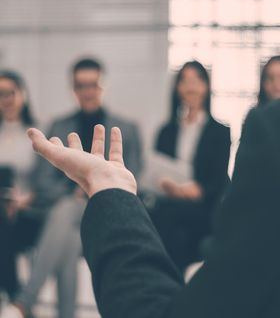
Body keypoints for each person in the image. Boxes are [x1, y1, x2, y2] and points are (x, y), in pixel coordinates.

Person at [17, 98, 280, 318]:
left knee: (68, 223)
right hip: (70, 205)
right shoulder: (62, 123)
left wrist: (109, 188)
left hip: (181, 206)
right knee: (67, 223)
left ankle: (24, 301)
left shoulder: (269, 130)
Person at [3, 58, 143, 318]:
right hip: (67, 212)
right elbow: (42, 181)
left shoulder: (128, 129)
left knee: (66, 213)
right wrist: (73, 191)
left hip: (106, 209)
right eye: (81, 85)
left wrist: (95, 190)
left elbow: (135, 179)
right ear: (73, 88)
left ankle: (24, 302)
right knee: (67, 232)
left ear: (103, 85)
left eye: (93, 84)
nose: (87, 91)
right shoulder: (58, 126)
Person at [151, 61, 231, 271]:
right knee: (169, 225)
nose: (190, 87)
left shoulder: (219, 132)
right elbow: (156, 169)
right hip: (169, 200)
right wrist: (168, 186)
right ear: (177, 88)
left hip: (203, 207)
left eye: (197, 80)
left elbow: (217, 182)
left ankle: (167, 283)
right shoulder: (166, 131)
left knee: (167, 220)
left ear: (206, 87)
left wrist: (194, 191)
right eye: (184, 81)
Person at [0, 71, 42, 301]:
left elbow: (47, 180)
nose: (5, 99)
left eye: (10, 92)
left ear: (22, 94)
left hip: (28, 211)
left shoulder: (38, 132)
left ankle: (14, 294)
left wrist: (27, 199)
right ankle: (15, 293)